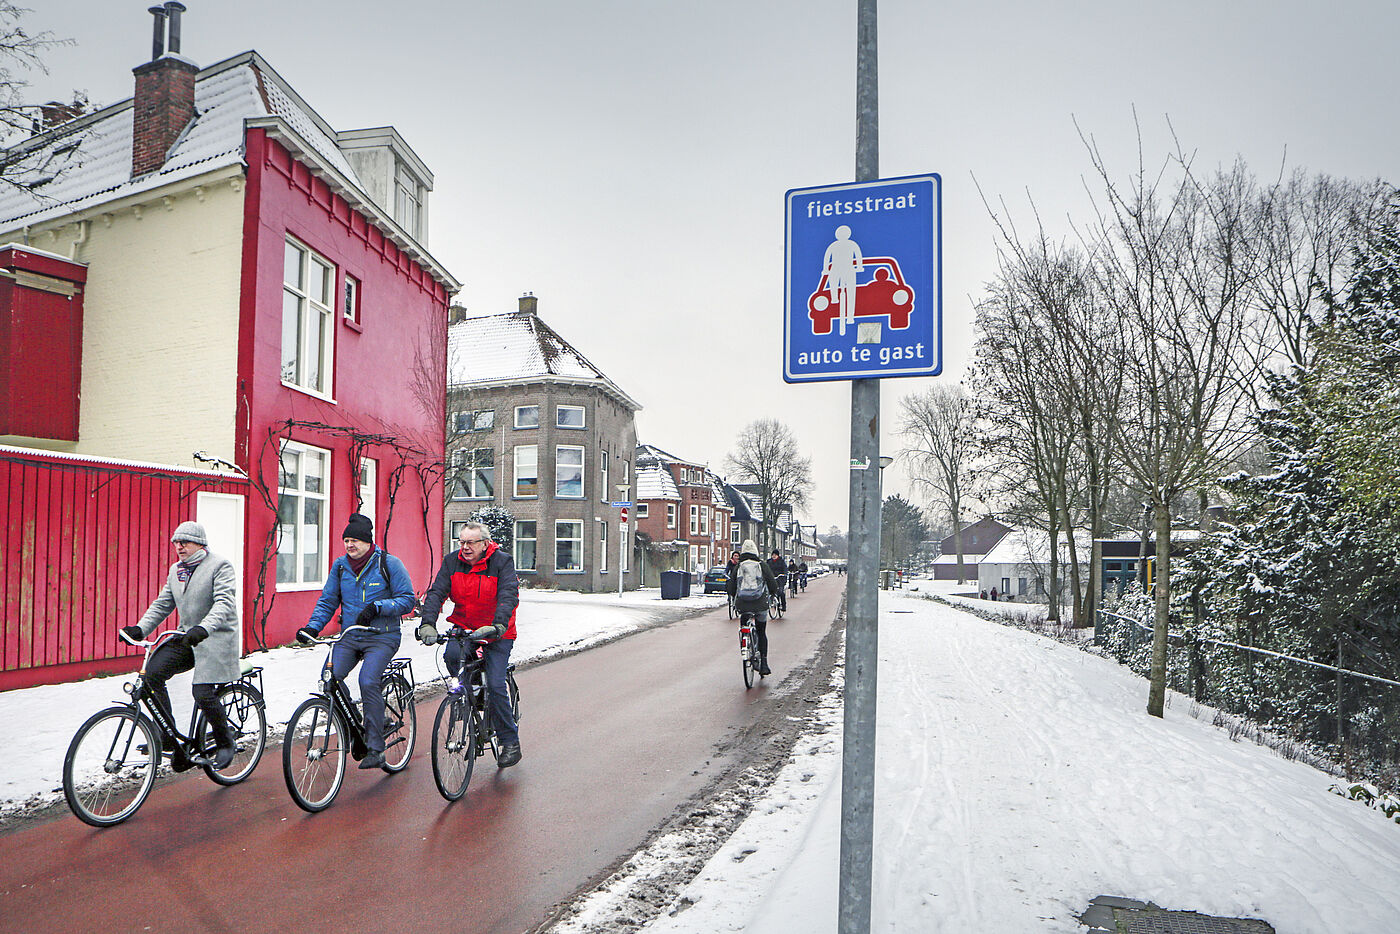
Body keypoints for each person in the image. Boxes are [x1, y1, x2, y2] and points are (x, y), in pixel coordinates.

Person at [296, 513, 417, 771]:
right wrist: (312, 628)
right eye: (346, 540)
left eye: (355, 540)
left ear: (368, 541)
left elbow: (408, 599)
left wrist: (378, 607)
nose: (350, 545)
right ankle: (353, 725)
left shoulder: (389, 564)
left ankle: (375, 748)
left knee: (368, 680)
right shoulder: (340, 566)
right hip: (350, 636)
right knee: (330, 679)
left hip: (382, 637)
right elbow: (328, 600)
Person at [120, 521, 240, 770]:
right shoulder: (177, 571)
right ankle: (170, 737)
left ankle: (224, 740)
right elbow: (163, 604)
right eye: (176, 542)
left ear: (200, 543)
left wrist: (204, 628)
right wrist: (141, 628)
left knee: (203, 692)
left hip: (216, 637)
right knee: (152, 675)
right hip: (188, 637)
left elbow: (223, 603)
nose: (179, 546)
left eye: (184, 541)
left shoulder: (220, 566)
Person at [416, 521, 522, 768]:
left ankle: (510, 742)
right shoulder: (452, 562)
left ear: (485, 543)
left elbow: (509, 595)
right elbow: (437, 593)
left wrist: (498, 625)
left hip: (497, 631)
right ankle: (469, 696)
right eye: (461, 542)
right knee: (452, 656)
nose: (464, 547)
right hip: (465, 626)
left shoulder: (501, 562)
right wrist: (427, 623)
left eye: (470, 542)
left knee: (496, 685)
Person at [727, 539, 780, 676]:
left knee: (744, 626)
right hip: (760, 604)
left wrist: (733, 596)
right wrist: (775, 592)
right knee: (761, 632)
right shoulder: (761, 565)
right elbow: (772, 583)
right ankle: (764, 663)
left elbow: (731, 587)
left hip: (743, 605)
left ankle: (745, 647)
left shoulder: (738, 567)